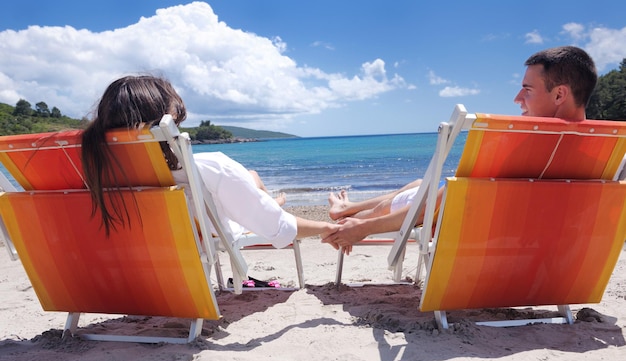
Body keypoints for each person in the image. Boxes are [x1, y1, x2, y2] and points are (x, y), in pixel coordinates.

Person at [323, 45, 598, 253]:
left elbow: (440, 202)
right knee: (421, 184)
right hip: (538, 249)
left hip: (476, 234)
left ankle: (347, 219)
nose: (516, 98)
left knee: (418, 193)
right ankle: (345, 209)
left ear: (560, 94)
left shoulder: (521, 148)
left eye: (526, 89)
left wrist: (364, 228)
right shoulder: (603, 152)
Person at [81, 75, 341, 250]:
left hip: (145, 247)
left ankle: (270, 199)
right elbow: (277, 228)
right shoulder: (212, 167)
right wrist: (331, 228)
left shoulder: (91, 170)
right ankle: (272, 201)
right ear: (169, 124)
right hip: (206, 231)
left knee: (248, 178)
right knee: (246, 181)